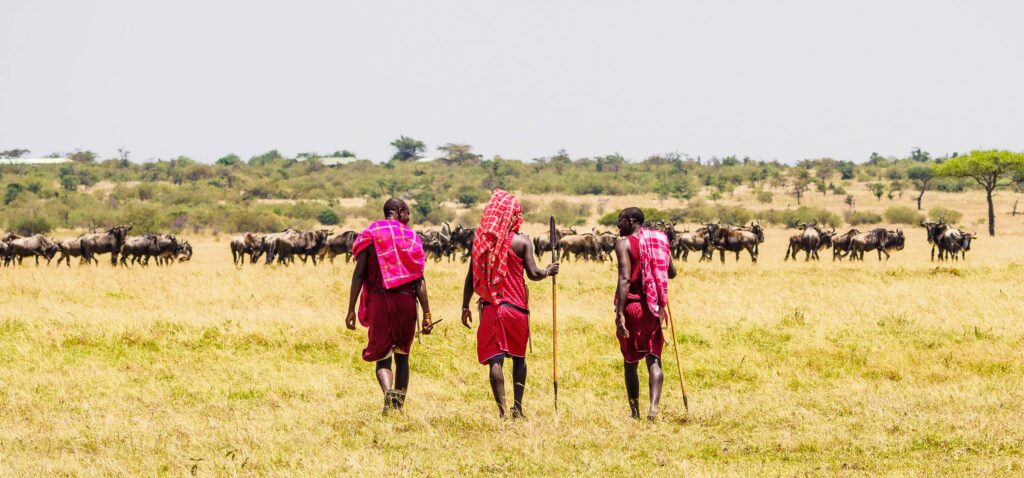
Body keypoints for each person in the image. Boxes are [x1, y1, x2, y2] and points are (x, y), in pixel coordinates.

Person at [461, 189, 558, 418]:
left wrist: (465, 306)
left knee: (495, 360)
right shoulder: (522, 242)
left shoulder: (481, 243)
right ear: (512, 216)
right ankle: (518, 408)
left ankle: (502, 412)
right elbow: (533, 273)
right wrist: (548, 271)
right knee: (519, 359)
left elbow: (470, 277)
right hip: (517, 310)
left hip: (491, 308)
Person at [345, 198, 433, 413]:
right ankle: (399, 407)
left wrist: (351, 309)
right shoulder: (410, 237)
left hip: (379, 301)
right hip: (405, 301)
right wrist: (427, 314)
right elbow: (419, 279)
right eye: (408, 214)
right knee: (402, 356)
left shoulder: (369, 235)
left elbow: (359, 274)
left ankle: (388, 393)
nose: (409, 218)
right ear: (400, 211)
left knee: (383, 358)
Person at [613, 207, 677, 420]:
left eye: (620, 220)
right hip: (655, 309)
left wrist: (620, 313)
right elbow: (672, 272)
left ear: (631, 221)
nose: (618, 225)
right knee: (654, 359)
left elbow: (624, 279)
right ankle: (654, 408)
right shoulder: (657, 241)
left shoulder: (624, 244)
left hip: (633, 307)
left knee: (630, 362)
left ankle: (634, 412)